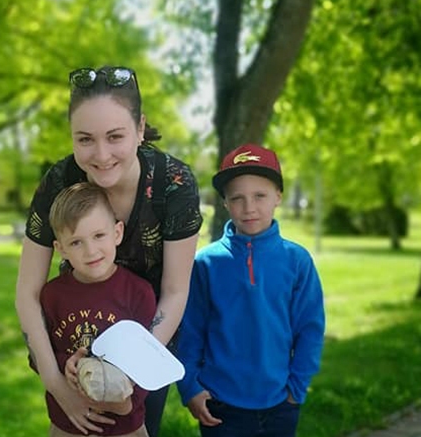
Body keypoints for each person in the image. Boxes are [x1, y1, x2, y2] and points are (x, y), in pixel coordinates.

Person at [16, 65, 203, 437]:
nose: (101, 155)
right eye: (85, 139)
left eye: (115, 136)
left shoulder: (175, 185)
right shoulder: (58, 183)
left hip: (150, 339)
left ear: (139, 128)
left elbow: (176, 291)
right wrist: (56, 382)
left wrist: (129, 367)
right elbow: (27, 293)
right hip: (74, 341)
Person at [176, 143, 326, 437]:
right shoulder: (206, 263)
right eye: (237, 198)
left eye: (260, 196)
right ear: (225, 203)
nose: (249, 207)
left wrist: (296, 388)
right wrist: (190, 386)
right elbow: (190, 330)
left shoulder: (297, 261)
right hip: (219, 405)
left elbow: (310, 328)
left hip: (280, 402)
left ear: (278, 197)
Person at [39, 182, 156, 437]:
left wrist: (128, 404)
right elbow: (38, 353)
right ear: (61, 249)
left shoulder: (138, 293)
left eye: (99, 236)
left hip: (125, 427)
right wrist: (65, 365)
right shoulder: (52, 295)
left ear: (117, 233)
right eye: (76, 242)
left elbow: (150, 361)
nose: (91, 251)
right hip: (69, 423)